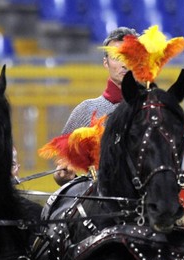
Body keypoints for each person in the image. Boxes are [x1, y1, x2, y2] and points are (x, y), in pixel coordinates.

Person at [52, 26, 139, 185]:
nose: (125, 64)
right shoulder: (86, 111)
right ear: (105, 63)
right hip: (100, 204)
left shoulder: (154, 110)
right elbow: (60, 171)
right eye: (117, 57)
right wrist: (64, 173)